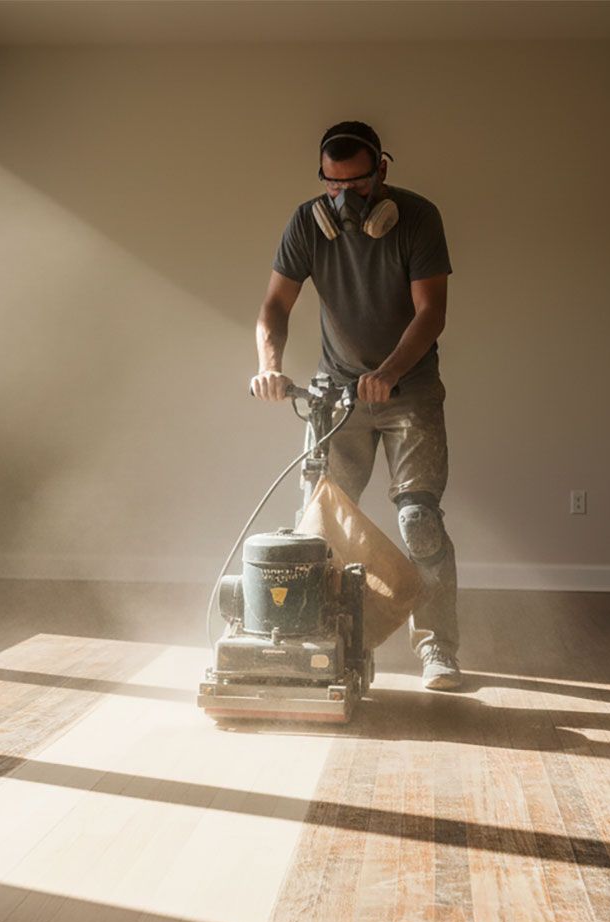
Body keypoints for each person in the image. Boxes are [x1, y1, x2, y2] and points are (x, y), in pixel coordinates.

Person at [250, 120, 461, 691]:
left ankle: (438, 648)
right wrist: (270, 366)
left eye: (357, 184)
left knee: (418, 521)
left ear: (382, 171)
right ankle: (315, 643)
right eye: (333, 185)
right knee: (318, 526)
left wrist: (389, 371)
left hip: (408, 391)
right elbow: (274, 305)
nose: (344, 198)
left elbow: (432, 312)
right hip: (336, 395)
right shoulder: (307, 223)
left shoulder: (417, 218)